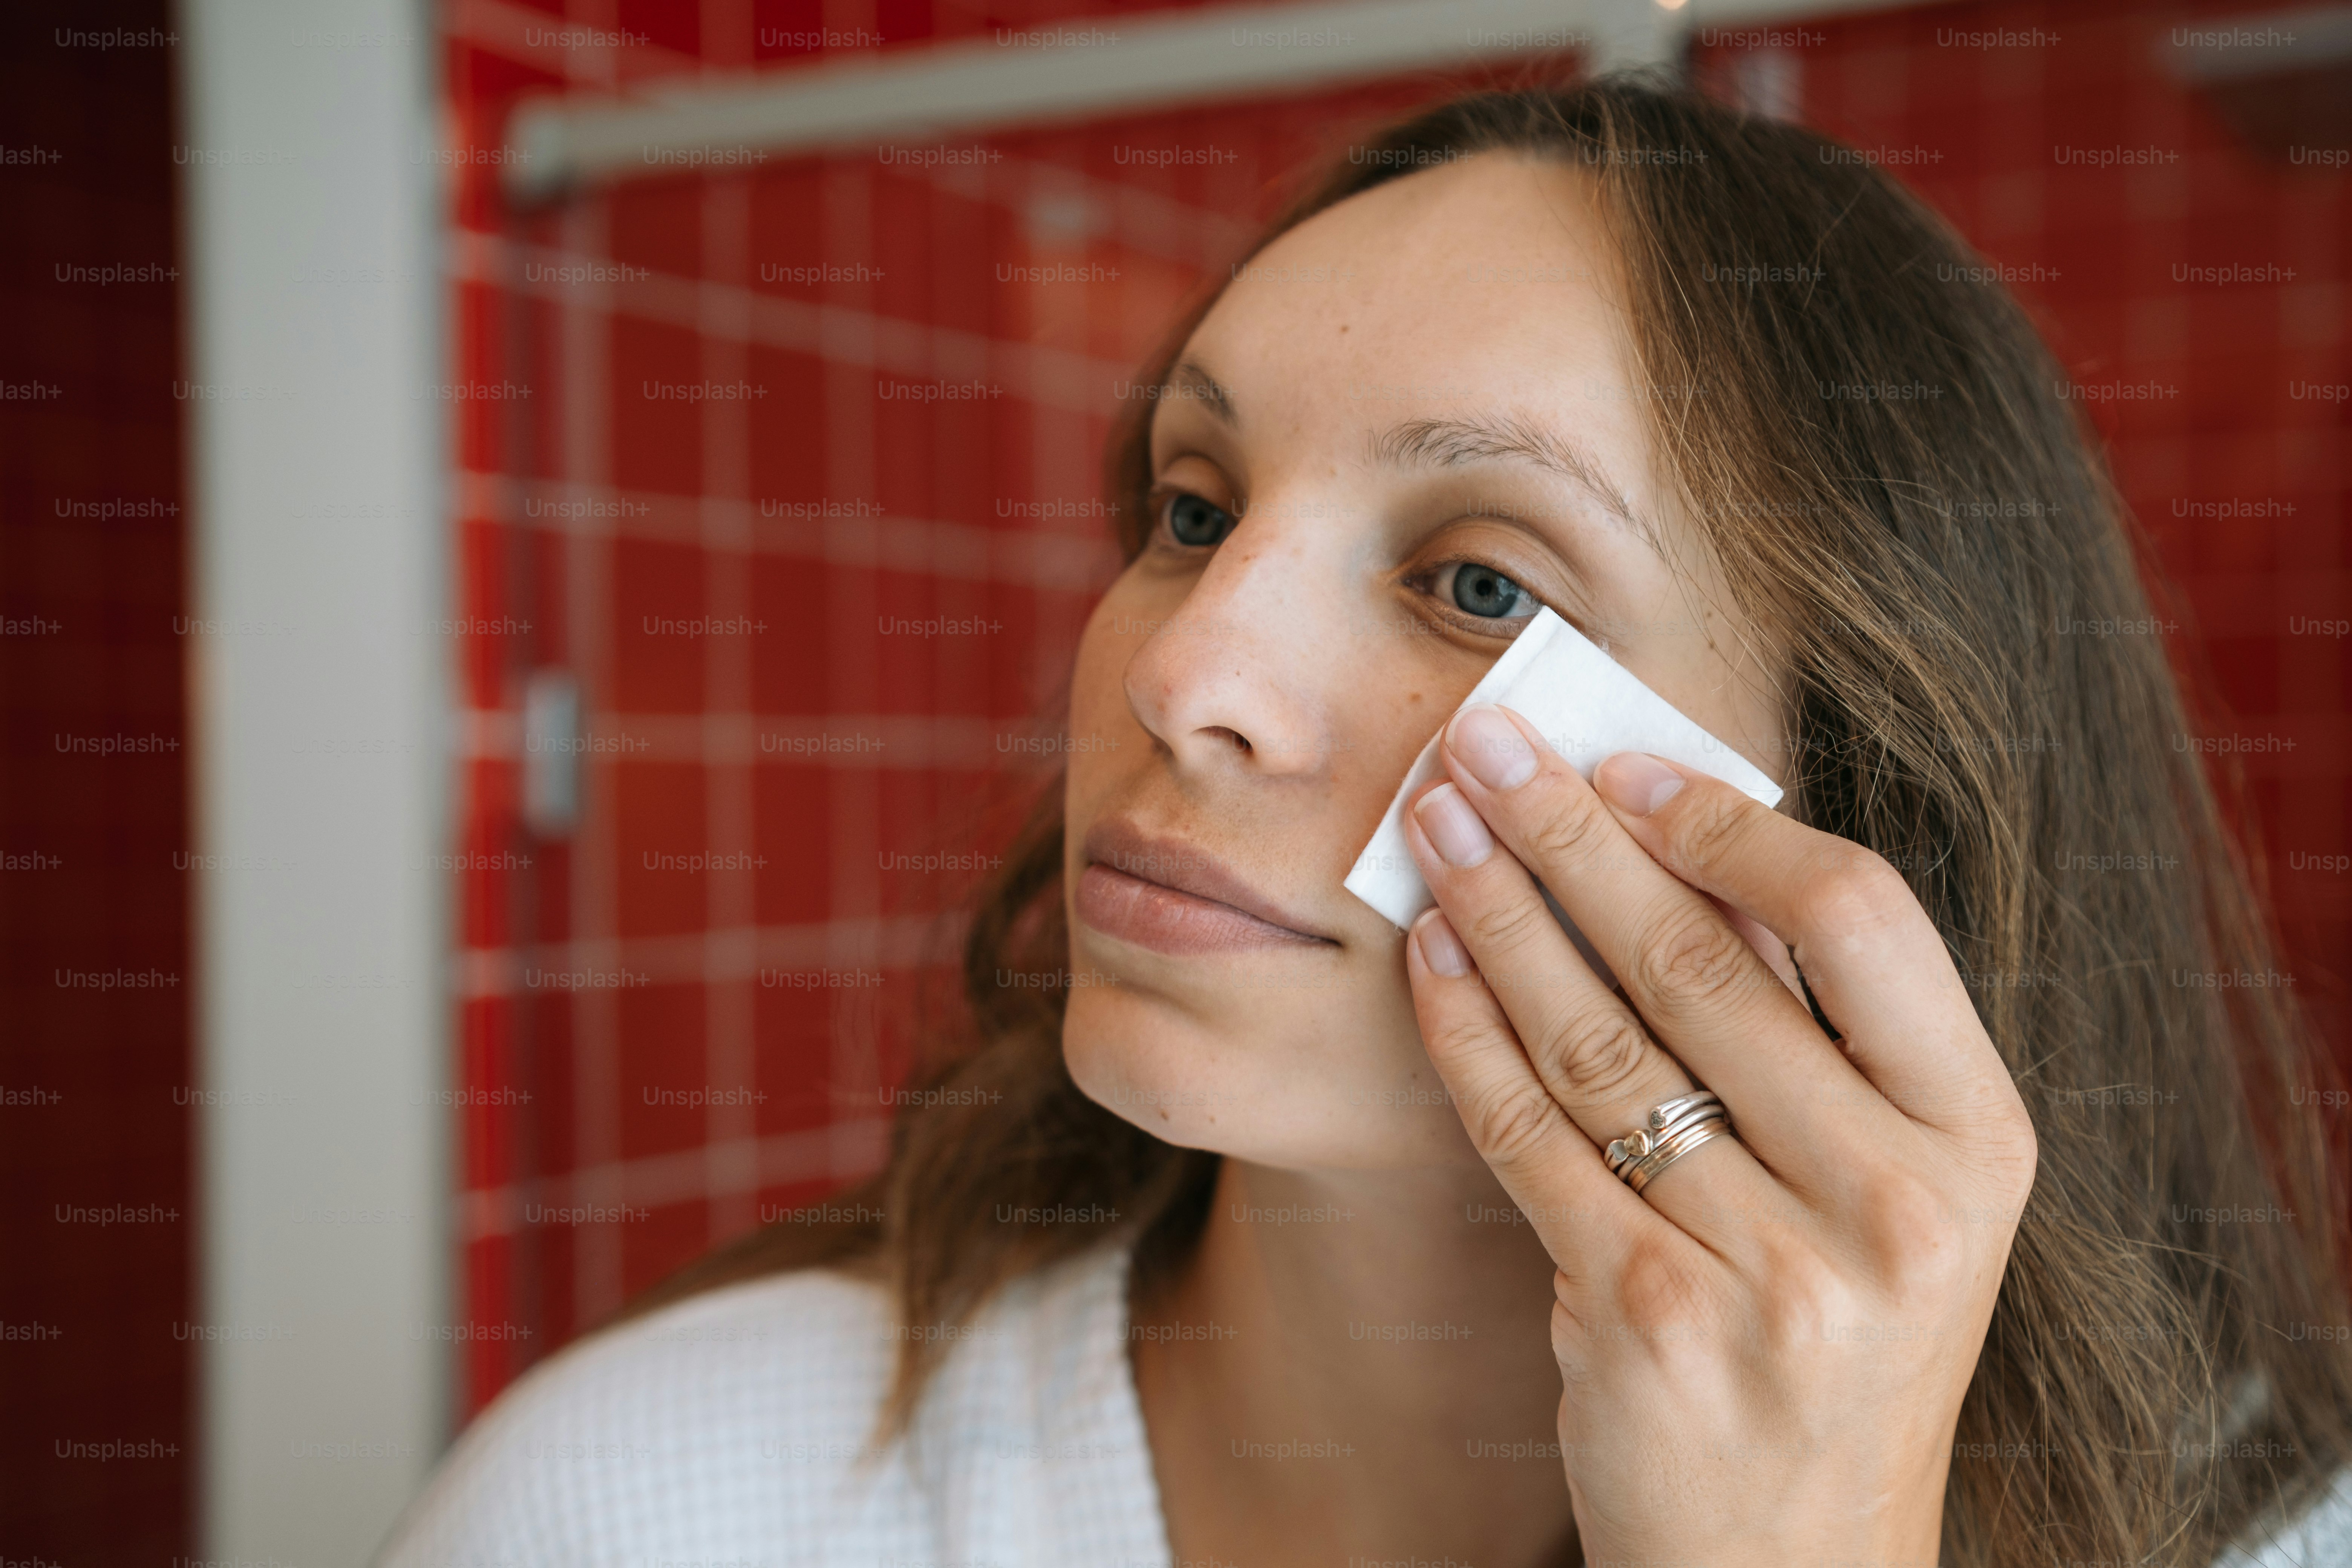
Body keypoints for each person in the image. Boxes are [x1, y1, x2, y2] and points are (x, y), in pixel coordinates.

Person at [376, 78, 2352, 1567]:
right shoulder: (658, 1502)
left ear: (1856, 824)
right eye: (1194, 507)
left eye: (1481, 587)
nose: (1180, 673)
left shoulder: (2264, 1529)